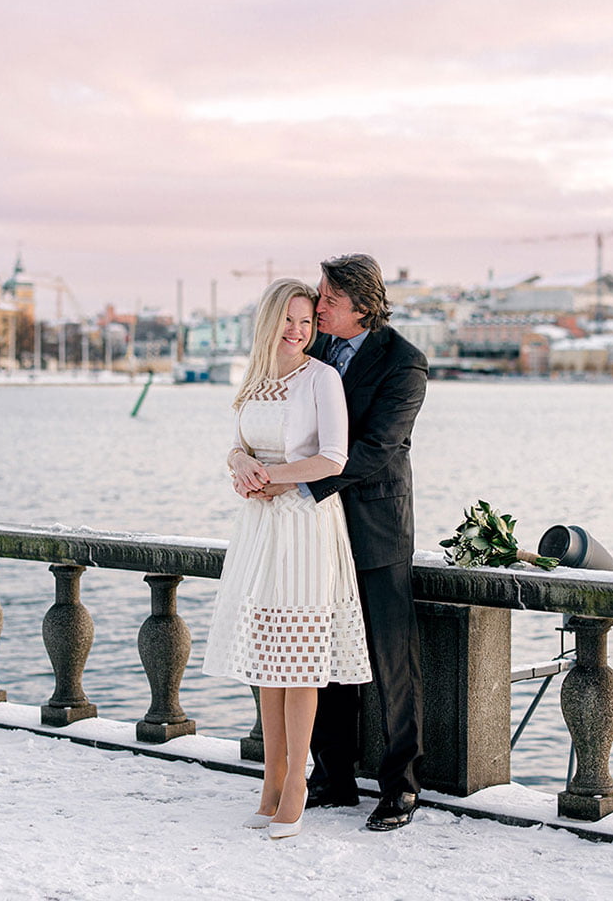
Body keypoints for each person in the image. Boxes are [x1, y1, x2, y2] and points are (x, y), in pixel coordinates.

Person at [251, 253, 428, 832]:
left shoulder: (405, 362)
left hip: (374, 526)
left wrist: (295, 479)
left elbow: (376, 449)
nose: (316, 306)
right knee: (314, 647)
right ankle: (332, 776)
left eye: (327, 299)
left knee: (390, 656)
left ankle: (400, 788)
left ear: (361, 305)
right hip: (311, 528)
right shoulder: (317, 350)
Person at [203, 277, 372, 840]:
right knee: (268, 666)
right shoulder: (253, 380)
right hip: (259, 528)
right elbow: (236, 444)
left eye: (307, 321)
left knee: (299, 664)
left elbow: (334, 458)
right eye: (289, 320)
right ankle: (271, 783)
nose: (299, 331)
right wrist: (240, 468)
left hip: (305, 526)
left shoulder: (321, 379)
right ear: (269, 322)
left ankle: (296, 786)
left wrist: (273, 476)